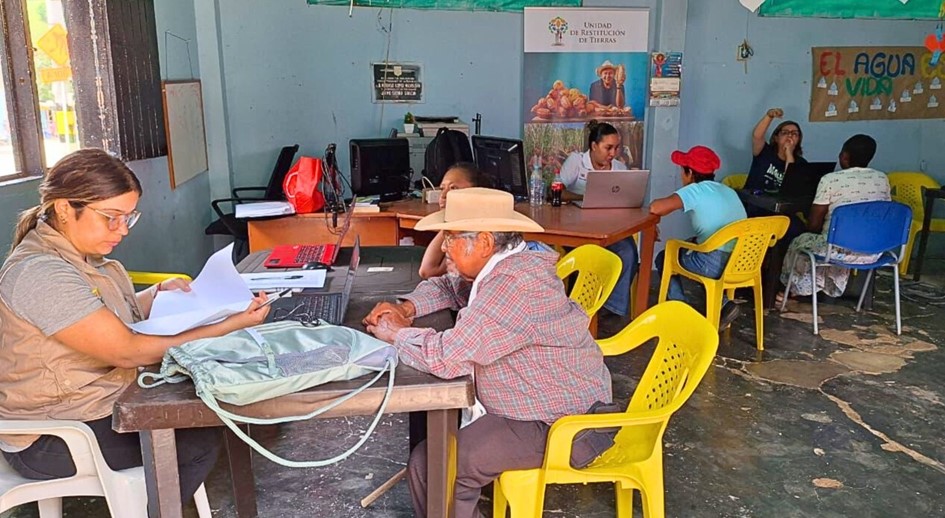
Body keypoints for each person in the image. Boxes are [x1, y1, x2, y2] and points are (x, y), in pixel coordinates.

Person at [0, 149, 271, 505]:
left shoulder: (81, 259)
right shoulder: (42, 273)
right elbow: (127, 350)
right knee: (194, 441)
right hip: (53, 436)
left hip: (91, 408)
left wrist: (156, 293)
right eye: (111, 217)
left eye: (129, 217)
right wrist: (227, 325)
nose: (122, 230)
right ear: (65, 209)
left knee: (201, 417)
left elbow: (102, 317)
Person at [362, 187, 613, 518]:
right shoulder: (500, 266)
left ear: (482, 242)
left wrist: (395, 334)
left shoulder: (513, 284)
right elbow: (447, 286)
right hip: (537, 402)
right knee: (435, 451)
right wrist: (407, 308)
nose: (445, 247)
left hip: (561, 420)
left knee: (434, 467)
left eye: (451, 237)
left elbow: (447, 357)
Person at [780, 135, 891, 298]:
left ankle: (792, 291)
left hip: (837, 251)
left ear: (844, 156)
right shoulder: (882, 179)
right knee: (832, 240)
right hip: (873, 251)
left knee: (800, 241)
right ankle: (827, 286)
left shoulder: (831, 180)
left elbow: (813, 225)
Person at [650, 145, 748, 329]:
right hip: (742, 262)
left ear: (689, 173)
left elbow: (656, 207)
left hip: (714, 264)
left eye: (682, 171)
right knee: (693, 244)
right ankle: (723, 304)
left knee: (665, 257)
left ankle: (680, 308)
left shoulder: (694, 189)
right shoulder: (728, 190)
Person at [559, 120, 638, 318]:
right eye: (608, 147)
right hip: (577, 229)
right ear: (594, 146)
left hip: (609, 227)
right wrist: (584, 197)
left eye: (616, 148)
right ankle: (585, 305)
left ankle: (611, 309)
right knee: (592, 258)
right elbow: (557, 191)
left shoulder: (619, 168)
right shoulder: (576, 161)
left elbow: (627, 199)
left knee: (628, 252)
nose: (613, 153)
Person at [418, 163, 487, 279]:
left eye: (453, 188)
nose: (443, 195)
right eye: (442, 189)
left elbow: (428, 270)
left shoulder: (474, 234)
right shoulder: (456, 228)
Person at [746, 108, 811, 194]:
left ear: (798, 140)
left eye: (794, 133)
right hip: (753, 202)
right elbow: (757, 136)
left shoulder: (801, 163)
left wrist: (788, 153)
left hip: (779, 205)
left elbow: (791, 184)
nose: (790, 135)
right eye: (785, 132)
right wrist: (769, 116)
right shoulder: (765, 151)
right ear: (776, 138)